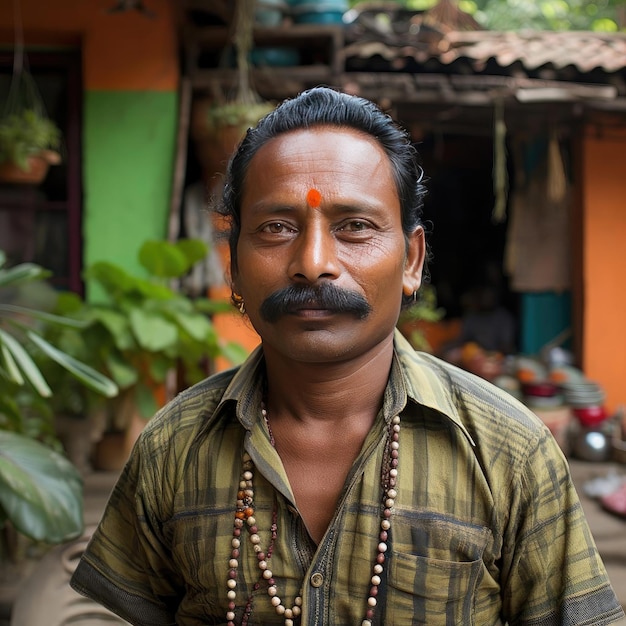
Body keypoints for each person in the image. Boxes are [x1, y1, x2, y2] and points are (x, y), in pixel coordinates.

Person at [70, 87, 624, 626]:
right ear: (233, 265)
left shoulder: (511, 453)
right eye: (276, 227)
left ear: (412, 259)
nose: (313, 263)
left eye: (355, 227)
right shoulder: (172, 448)